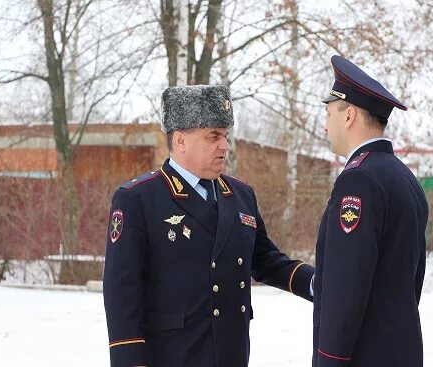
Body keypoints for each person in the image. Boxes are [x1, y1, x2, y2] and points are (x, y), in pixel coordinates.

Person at [103, 85, 315, 367]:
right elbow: (121, 292)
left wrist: (317, 283)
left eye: (225, 136)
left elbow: (264, 259)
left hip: (231, 354)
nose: (225, 145)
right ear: (180, 140)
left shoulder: (240, 195)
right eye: (213, 136)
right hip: (173, 356)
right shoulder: (139, 198)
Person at [312, 55, 429, 367]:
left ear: (348, 115)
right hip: (400, 350)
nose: (325, 126)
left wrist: (329, 361)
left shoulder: (358, 180)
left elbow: (344, 287)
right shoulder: (404, 177)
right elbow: (412, 277)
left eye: (328, 113)